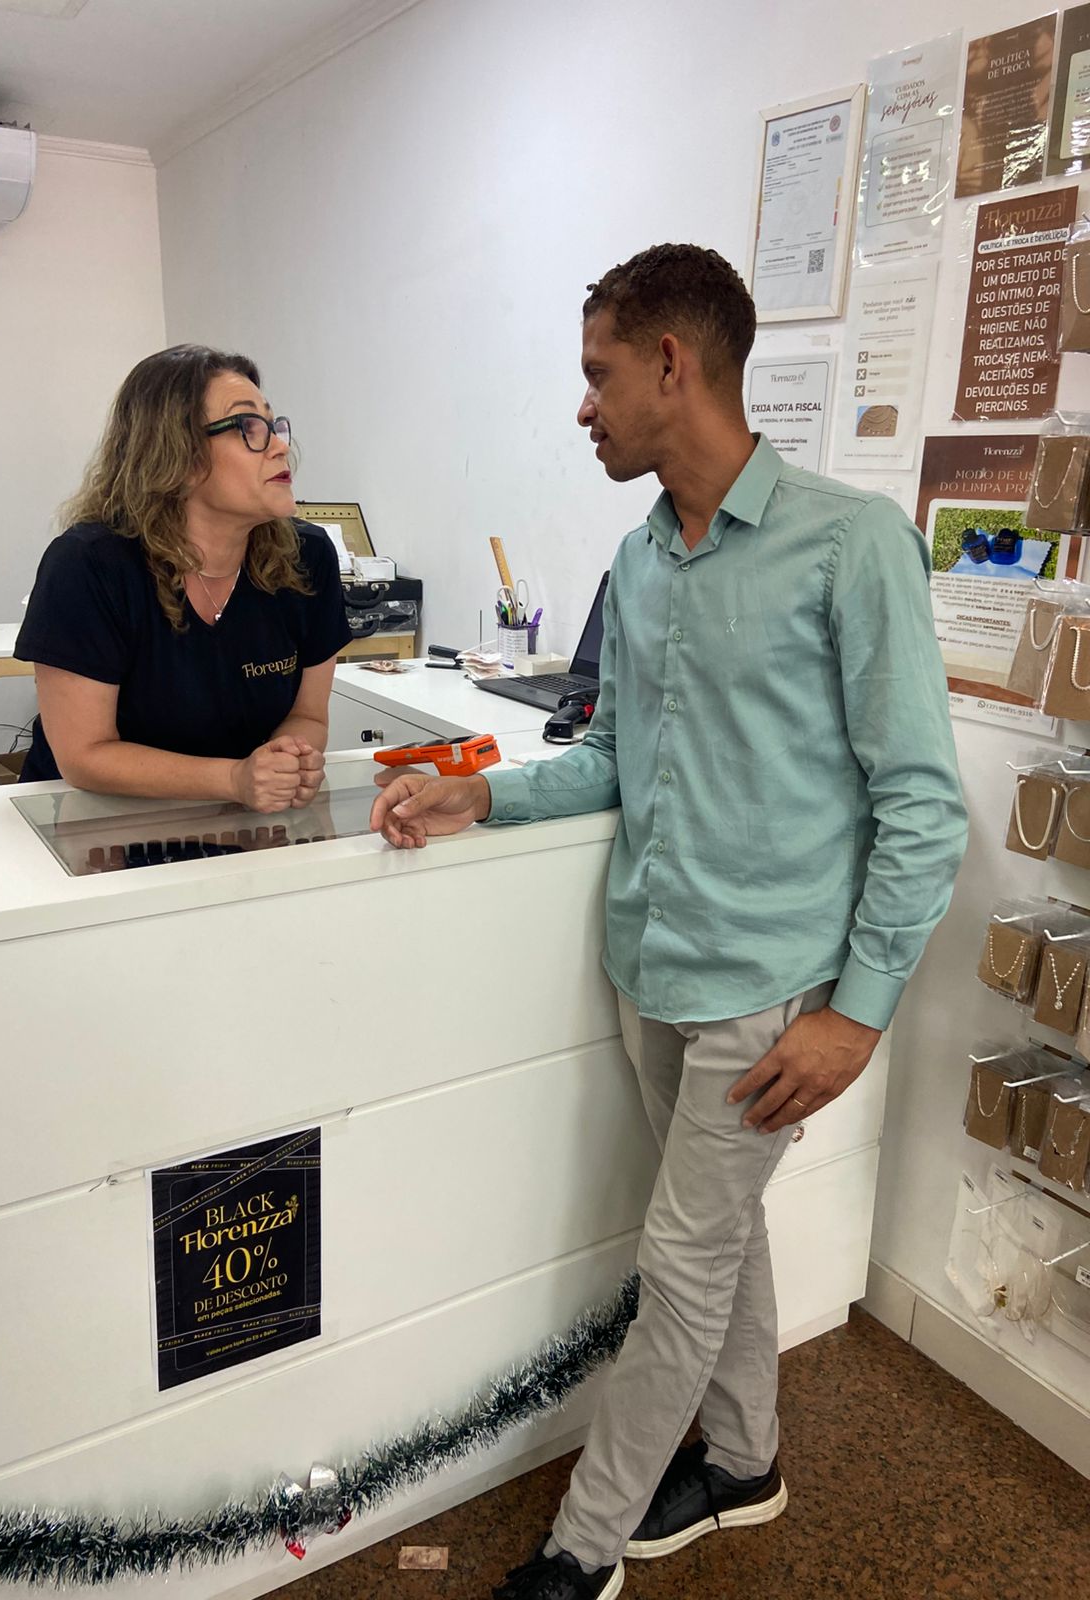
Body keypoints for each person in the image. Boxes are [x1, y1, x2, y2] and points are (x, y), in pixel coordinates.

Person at [371, 243, 967, 1600]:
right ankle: (746, 1464)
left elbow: (924, 807)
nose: (583, 408)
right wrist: (480, 794)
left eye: (598, 375)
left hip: (770, 992)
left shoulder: (851, 542)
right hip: (650, 965)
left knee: (682, 1264)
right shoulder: (638, 561)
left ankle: (581, 1552)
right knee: (718, 1235)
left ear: (671, 363)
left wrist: (858, 1015)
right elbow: (611, 759)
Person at [15, 344, 352, 812]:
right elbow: (84, 756)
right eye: (248, 426)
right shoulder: (89, 564)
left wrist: (289, 758)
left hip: (240, 818)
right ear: (179, 454)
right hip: (94, 821)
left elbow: (309, 715)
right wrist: (234, 779)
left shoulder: (308, 557)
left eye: (273, 424)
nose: (280, 445)